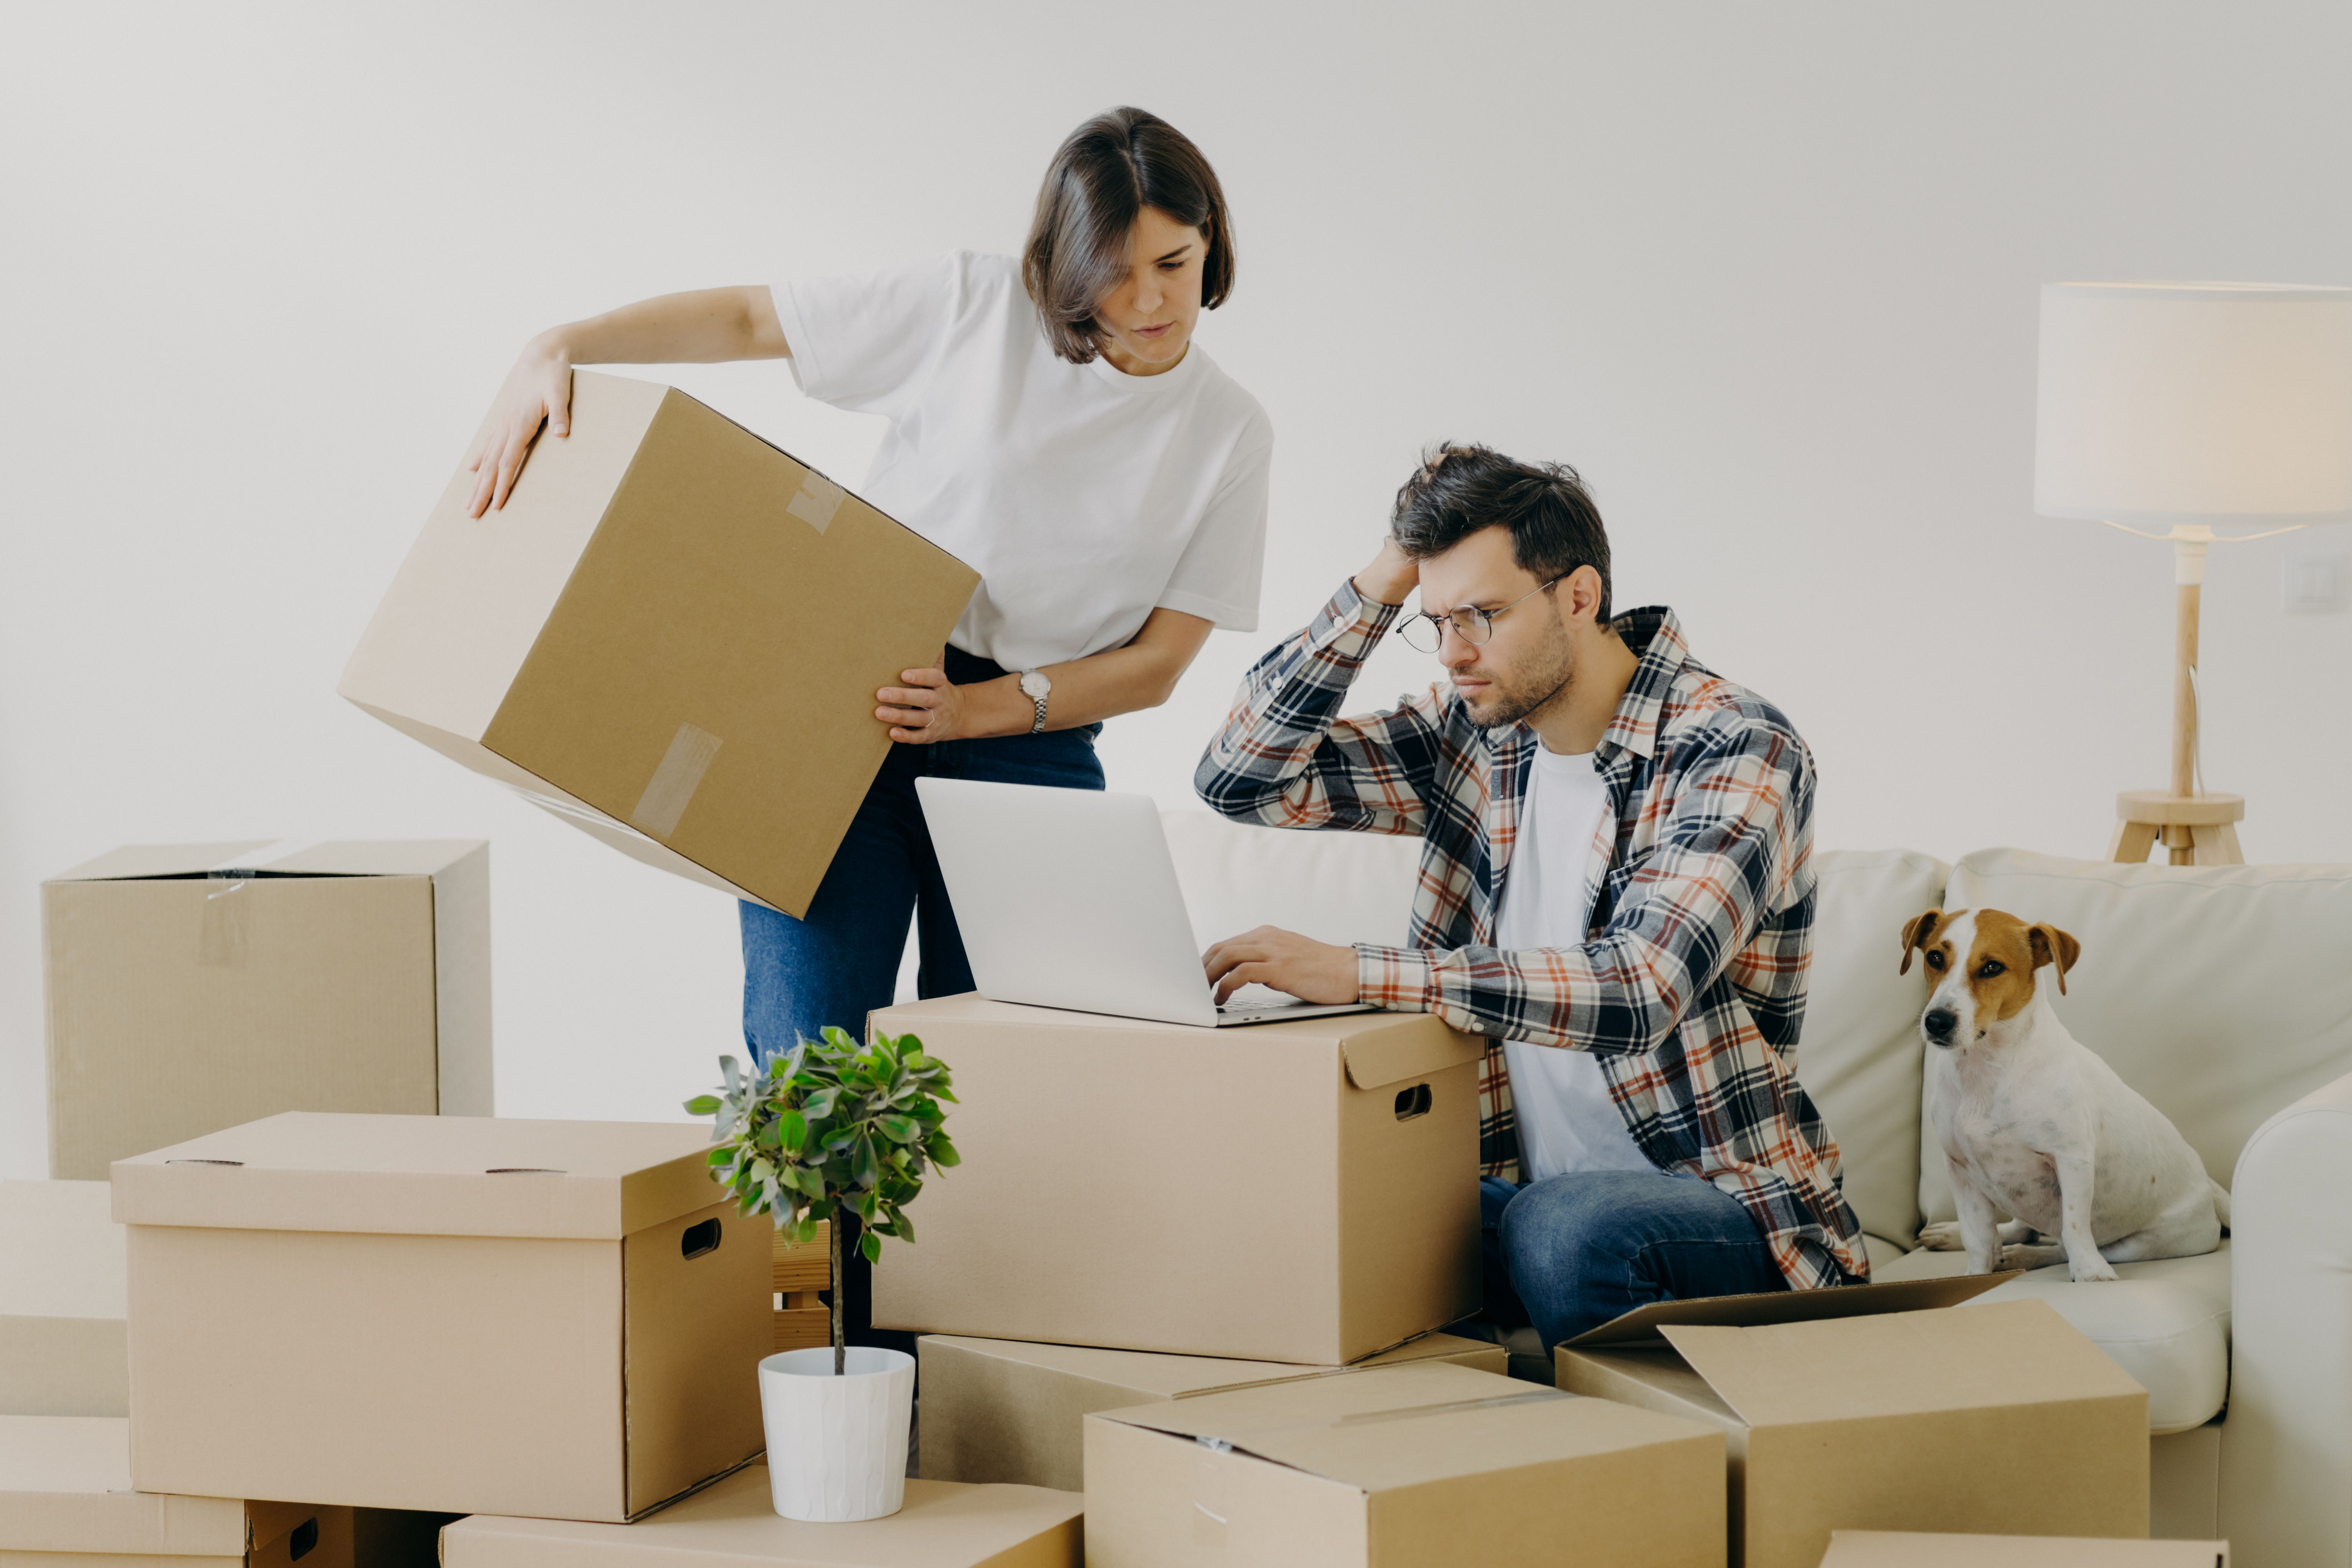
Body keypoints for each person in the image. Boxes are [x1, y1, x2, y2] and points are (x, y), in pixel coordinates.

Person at [466, 107, 1270, 1343]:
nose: (1151, 303)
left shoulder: (1229, 433)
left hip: (1034, 736)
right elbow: (749, 319)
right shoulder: (970, 307)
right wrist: (558, 341)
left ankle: (966, 1366)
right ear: (1062, 269)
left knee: (994, 1073)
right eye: (1112, 274)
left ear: (1212, 244)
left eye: (1174, 263)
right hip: (849, 694)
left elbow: (1161, 661)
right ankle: (816, 1351)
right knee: (809, 1062)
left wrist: (984, 711)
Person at [1192, 444, 1866, 1347]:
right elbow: (1239, 777)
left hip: (1723, 1207)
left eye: (1485, 614)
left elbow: (1639, 987)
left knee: (1565, 1230)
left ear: (1579, 597)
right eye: (1437, 620)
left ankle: (1598, 1462)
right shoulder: (1472, 739)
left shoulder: (1732, 745)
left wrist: (1358, 969)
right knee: (1303, 1187)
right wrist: (1384, 575)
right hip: (1524, 1198)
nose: (1457, 652)